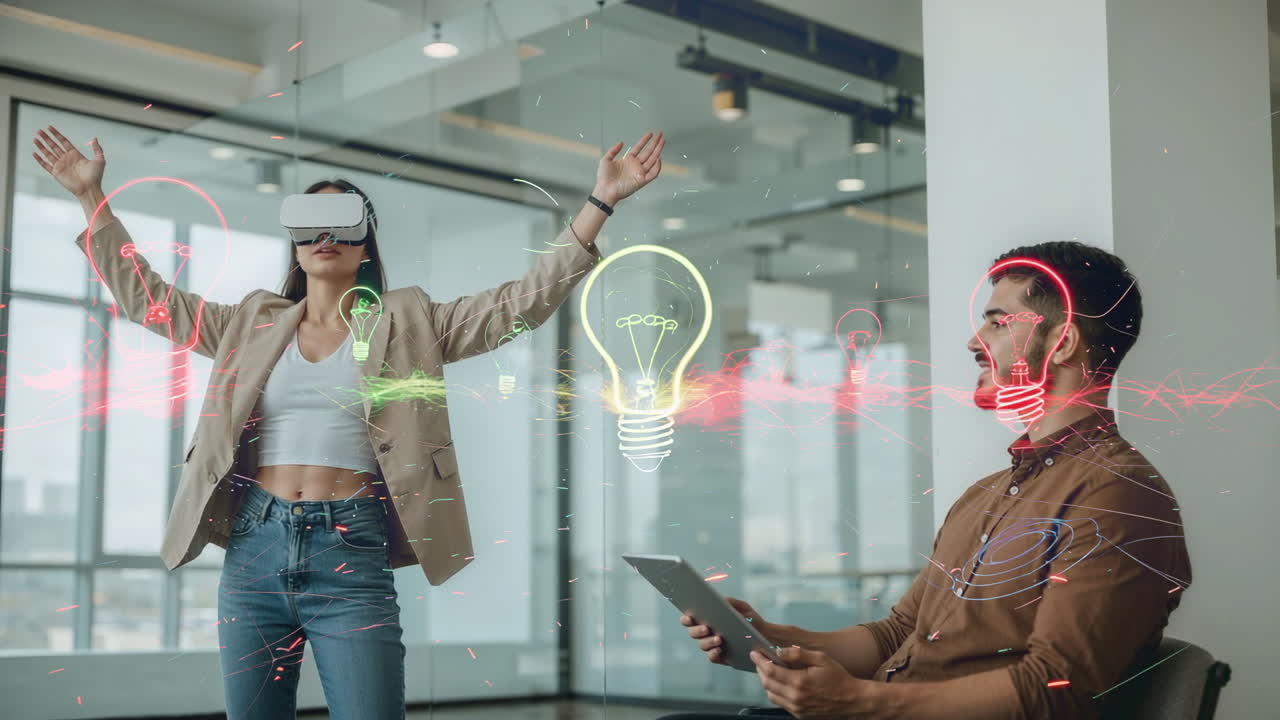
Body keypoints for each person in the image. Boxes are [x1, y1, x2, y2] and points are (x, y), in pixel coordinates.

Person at [32, 124, 665, 720]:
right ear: (296, 243)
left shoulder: (411, 319)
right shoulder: (250, 322)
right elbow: (152, 299)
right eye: (309, 227)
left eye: (342, 222)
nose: (324, 237)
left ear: (364, 239)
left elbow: (515, 307)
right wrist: (92, 198)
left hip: (350, 551)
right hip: (255, 547)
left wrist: (599, 203)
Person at [671, 243, 1191, 719]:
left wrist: (860, 701)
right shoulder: (984, 495)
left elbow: (1052, 687)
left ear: (1062, 341)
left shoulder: (1120, 495)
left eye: (996, 322)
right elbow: (897, 635)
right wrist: (766, 637)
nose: (973, 341)